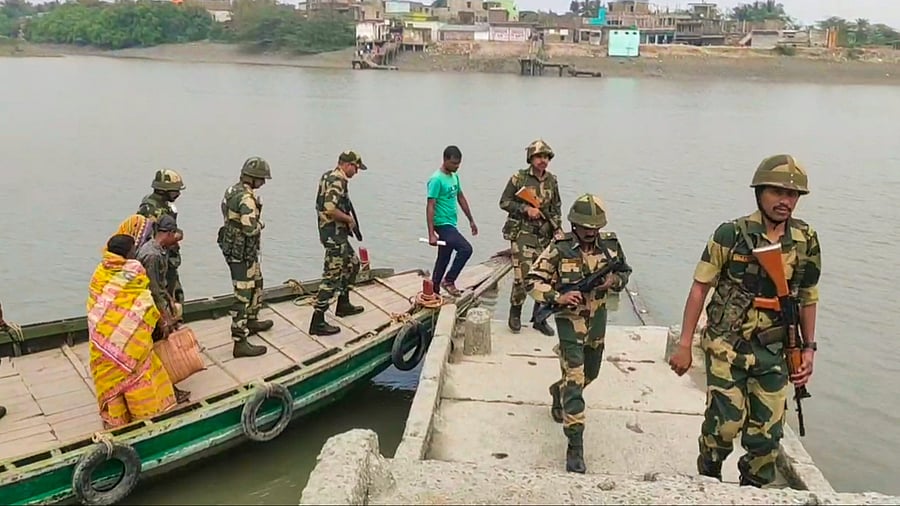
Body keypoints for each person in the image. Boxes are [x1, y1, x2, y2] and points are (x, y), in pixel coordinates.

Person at [668, 154, 821, 488]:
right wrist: (684, 345)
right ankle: (708, 473)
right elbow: (699, 288)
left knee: (767, 436)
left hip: (775, 349)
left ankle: (752, 490)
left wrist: (808, 349)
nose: (786, 201)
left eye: (792, 195)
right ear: (759, 192)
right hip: (726, 346)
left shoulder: (805, 240)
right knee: (724, 426)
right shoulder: (731, 234)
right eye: (777, 192)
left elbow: (808, 296)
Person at [526, 193, 632, 474]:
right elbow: (533, 280)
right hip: (569, 323)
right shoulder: (560, 248)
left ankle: (557, 391)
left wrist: (614, 280)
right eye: (586, 228)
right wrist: (558, 297)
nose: (591, 233)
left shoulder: (609, 245)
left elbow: (625, 270)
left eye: (595, 227)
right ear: (575, 225)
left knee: (591, 373)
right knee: (575, 380)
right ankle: (575, 445)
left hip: (597, 319)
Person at [87, 234, 177, 428]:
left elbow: (95, 305)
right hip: (131, 341)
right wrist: (161, 319)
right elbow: (144, 303)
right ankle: (144, 417)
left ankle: (116, 420)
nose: (135, 251)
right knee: (138, 376)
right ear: (127, 253)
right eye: (133, 249)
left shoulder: (99, 272)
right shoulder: (134, 270)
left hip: (103, 340)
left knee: (113, 379)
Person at [499, 139, 563, 337]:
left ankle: (539, 318)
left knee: (545, 277)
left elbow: (556, 208)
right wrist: (526, 209)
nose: (543, 160)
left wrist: (558, 229)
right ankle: (515, 313)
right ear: (531, 158)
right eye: (539, 157)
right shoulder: (519, 178)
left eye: (546, 157)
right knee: (522, 277)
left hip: (545, 236)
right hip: (523, 234)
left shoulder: (552, 181)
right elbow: (504, 202)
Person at [217, 157, 273, 358]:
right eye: (262, 179)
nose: (264, 183)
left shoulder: (232, 191)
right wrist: (261, 225)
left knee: (257, 282)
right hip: (241, 252)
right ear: (255, 178)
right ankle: (239, 341)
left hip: (236, 248)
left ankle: (251, 320)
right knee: (243, 294)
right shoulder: (247, 199)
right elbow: (250, 228)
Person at [309, 151, 368, 336]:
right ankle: (317, 320)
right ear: (348, 164)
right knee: (331, 276)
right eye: (356, 168)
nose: (356, 172)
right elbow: (329, 209)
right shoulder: (337, 180)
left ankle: (343, 303)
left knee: (353, 264)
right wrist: (348, 220)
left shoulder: (328, 176)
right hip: (333, 235)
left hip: (336, 234)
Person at [136, 215, 190, 403]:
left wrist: (170, 298)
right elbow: (153, 291)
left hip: (154, 302)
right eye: (173, 233)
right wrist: (164, 318)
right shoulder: (153, 256)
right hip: (150, 309)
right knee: (160, 350)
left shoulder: (157, 249)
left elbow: (161, 286)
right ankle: (169, 392)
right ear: (166, 233)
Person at [426, 145, 478, 297]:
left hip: (451, 223)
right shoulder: (436, 180)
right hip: (442, 224)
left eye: (459, 164)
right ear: (445, 160)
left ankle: (434, 291)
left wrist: (471, 220)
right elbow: (430, 206)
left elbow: (460, 197)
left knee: (444, 255)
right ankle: (449, 280)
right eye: (454, 163)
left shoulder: (454, 177)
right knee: (466, 249)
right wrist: (431, 234)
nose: (457, 167)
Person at [138, 169, 186, 305]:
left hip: (168, 259)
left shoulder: (165, 206)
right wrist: (178, 235)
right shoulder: (151, 208)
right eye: (175, 190)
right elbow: (152, 237)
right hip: (158, 261)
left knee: (175, 295)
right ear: (165, 190)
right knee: (164, 295)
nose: (178, 194)